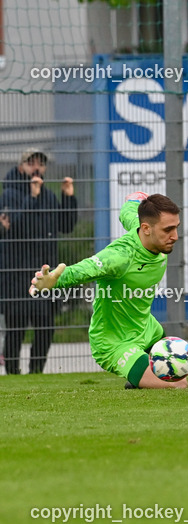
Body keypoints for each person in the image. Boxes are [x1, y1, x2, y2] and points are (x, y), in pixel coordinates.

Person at [29, 192, 188, 389]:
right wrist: (53, 280)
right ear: (146, 229)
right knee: (175, 386)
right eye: (168, 229)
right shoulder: (120, 257)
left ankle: (139, 381)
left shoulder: (145, 229)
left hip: (146, 328)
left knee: (181, 378)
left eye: (176, 228)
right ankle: (139, 375)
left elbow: (128, 212)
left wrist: (133, 199)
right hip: (114, 342)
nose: (175, 236)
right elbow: (84, 270)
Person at [0, 148, 78, 374]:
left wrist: (68, 197)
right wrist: (31, 198)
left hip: (43, 272)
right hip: (16, 272)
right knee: (16, 326)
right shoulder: (9, 194)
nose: (37, 168)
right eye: (31, 162)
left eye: (41, 164)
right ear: (20, 166)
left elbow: (66, 226)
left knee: (45, 326)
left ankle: (36, 372)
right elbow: (16, 227)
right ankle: (13, 372)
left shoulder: (48, 194)